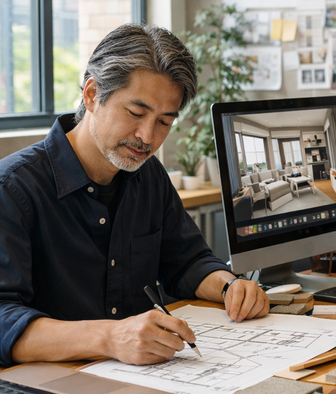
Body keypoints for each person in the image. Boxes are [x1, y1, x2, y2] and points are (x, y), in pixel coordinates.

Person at [0, 24, 269, 368]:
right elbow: (3, 319)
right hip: (51, 390)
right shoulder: (13, 188)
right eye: (136, 113)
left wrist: (230, 287)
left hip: (144, 376)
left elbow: (187, 261)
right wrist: (111, 337)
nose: (147, 137)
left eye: (164, 121)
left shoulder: (148, 175)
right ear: (92, 95)